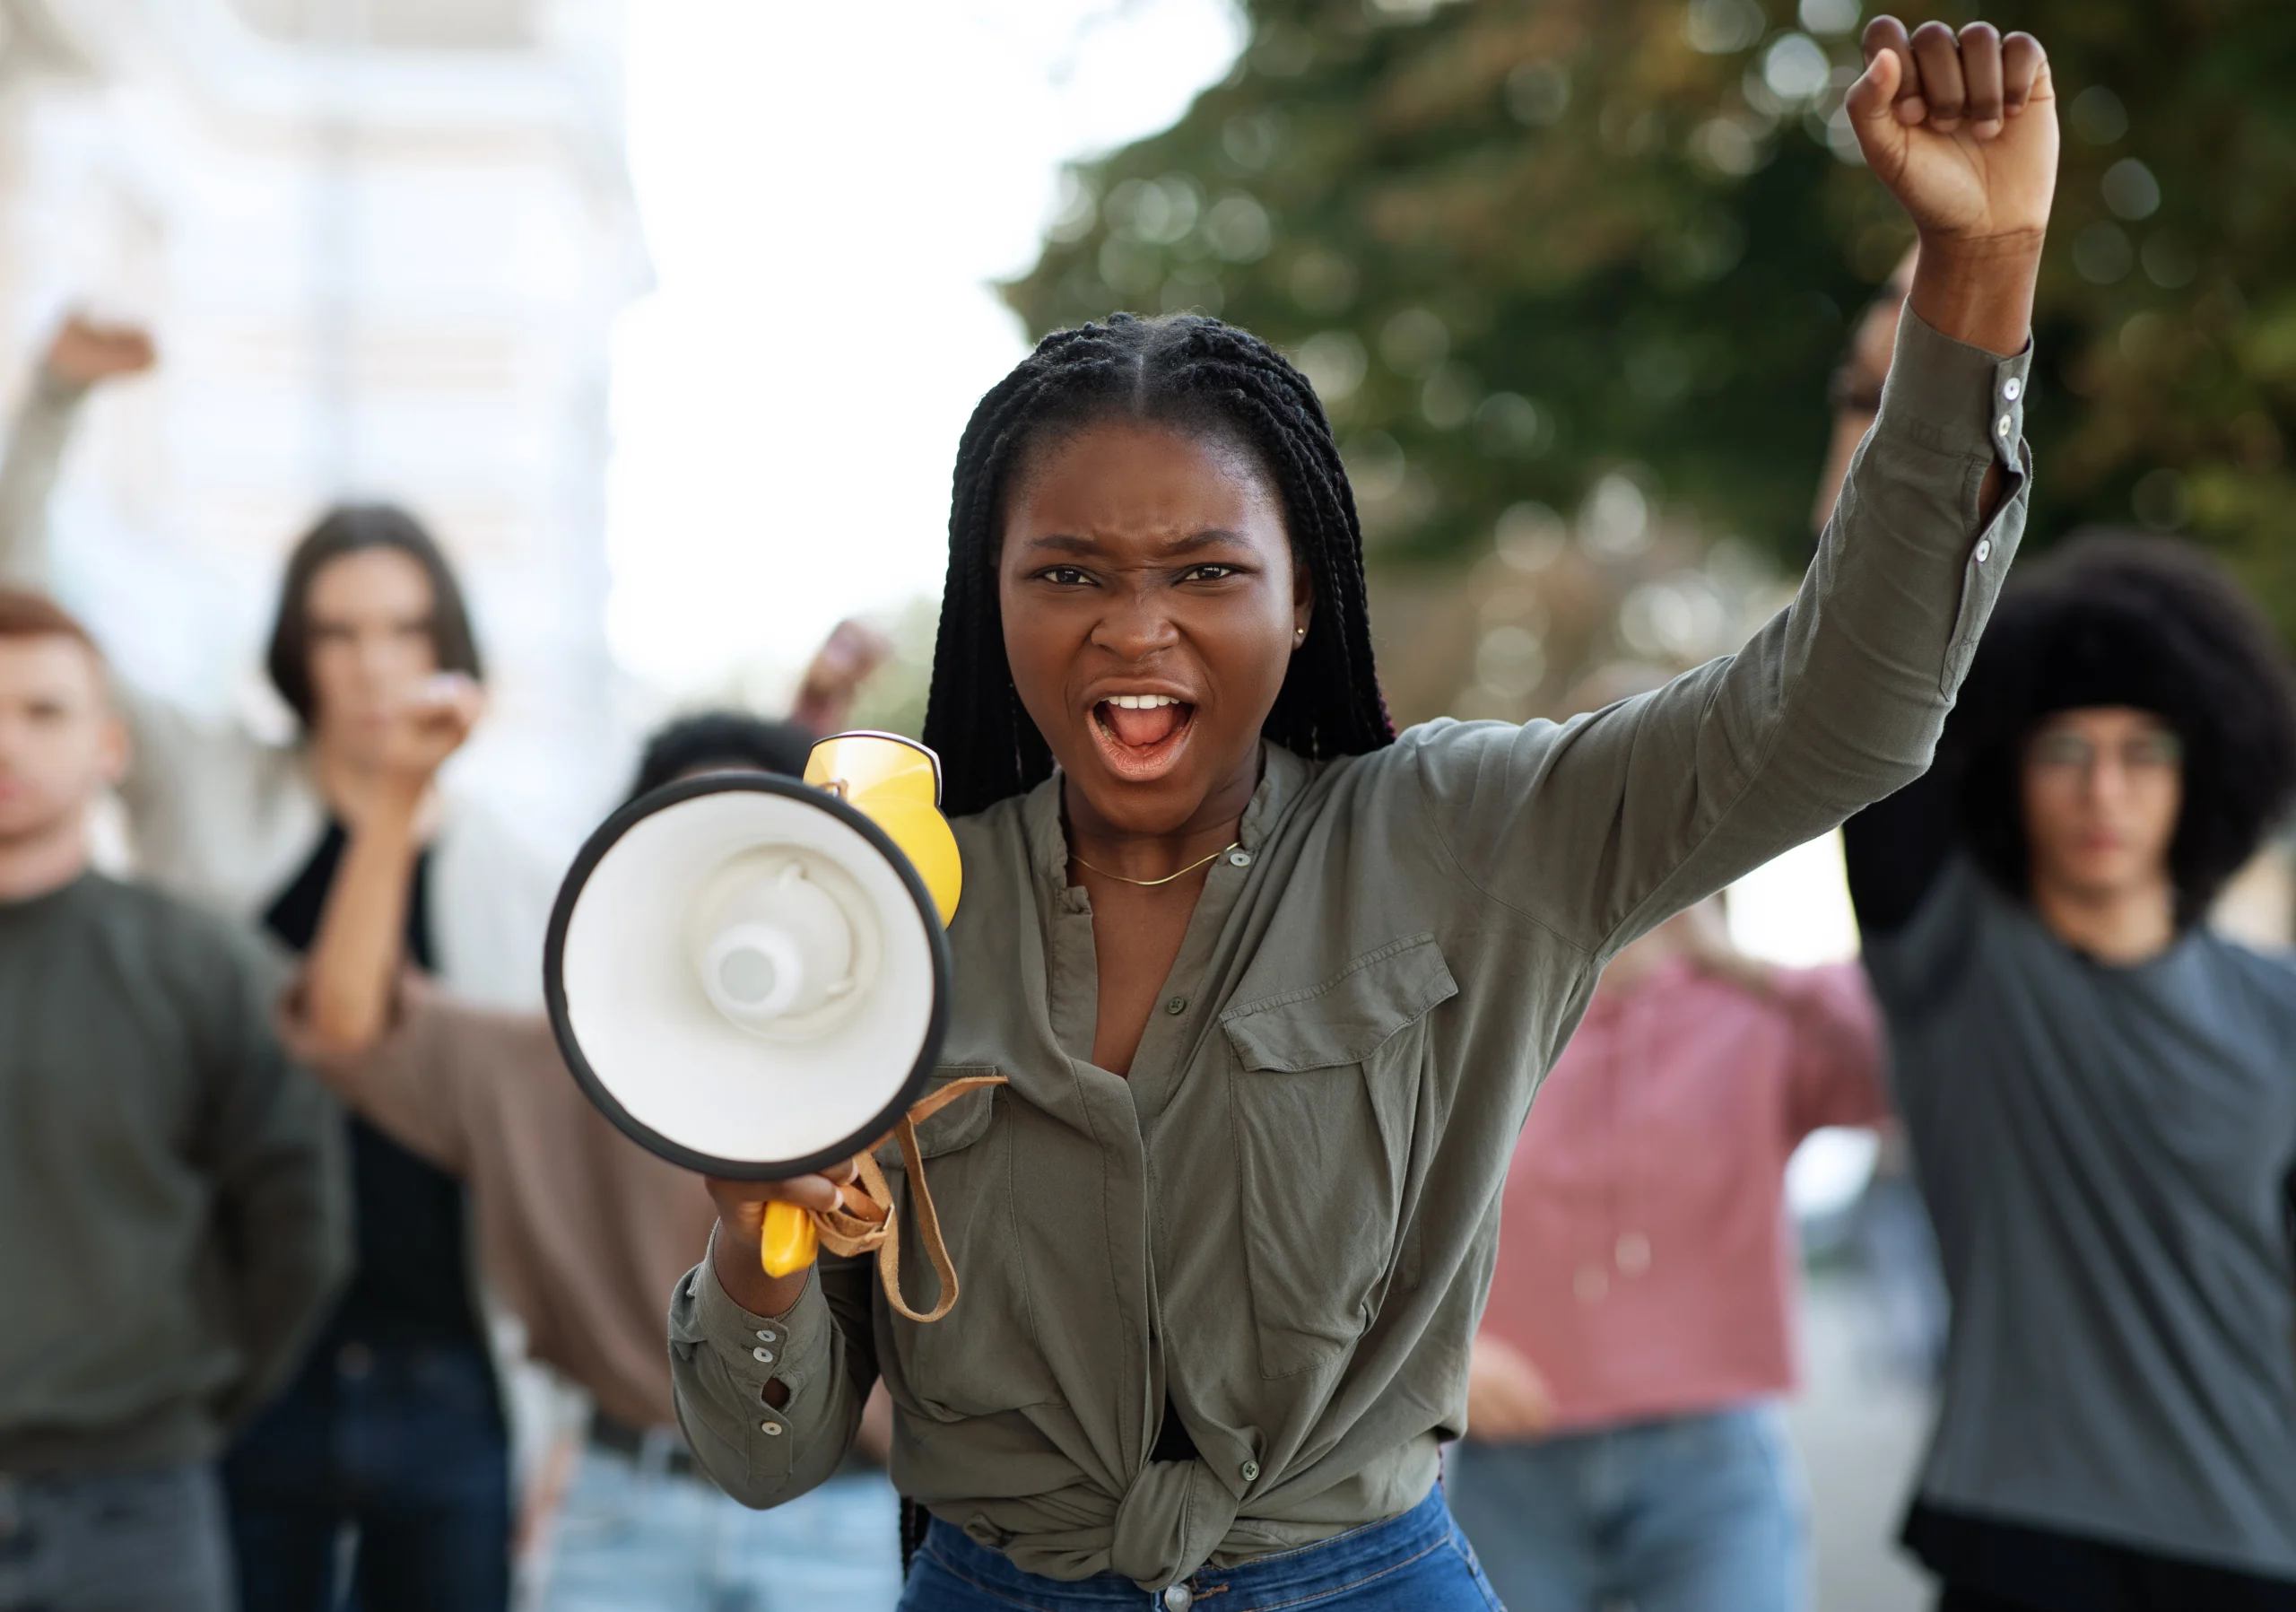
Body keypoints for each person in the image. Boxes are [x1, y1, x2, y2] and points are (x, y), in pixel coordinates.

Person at [669, 20, 2057, 1608]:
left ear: (1308, 595)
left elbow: (1843, 712)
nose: (1136, 629)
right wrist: (747, 1231)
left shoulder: (1472, 833)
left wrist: (1979, 278)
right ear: (988, 604)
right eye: (1067, 574)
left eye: (1206, 571)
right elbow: (763, 1455)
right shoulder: (878, 914)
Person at [0, 341, 556, 1608]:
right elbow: (25, 618)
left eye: (404, 628)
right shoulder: (207, 789)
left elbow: (542, 1160)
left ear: (450, 642)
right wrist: (56, 401)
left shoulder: (516, 875)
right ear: (296, 648)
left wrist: (552, 1415)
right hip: (240, 1372)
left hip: (447, 1376)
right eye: (338, 630)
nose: (371, 662)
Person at [274, 684, 909, 1612]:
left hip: (845, 1514)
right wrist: (400, 792)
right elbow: (346, 1022)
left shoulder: (900, 1061)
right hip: (625, 1511)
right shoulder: (555, 1069)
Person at [1839, 530, 2296, 1611]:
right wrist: (1876, 415)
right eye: (2063, 751)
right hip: (2022, 1532)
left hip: (2257, 1534)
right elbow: (1864, 673)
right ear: (2006, 766)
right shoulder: (1950, 953)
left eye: (2145, 751)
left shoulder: (2278, 1006)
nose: (2104, 791)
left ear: (2204, 768)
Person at [0, 588, 347, 1612]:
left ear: (110, 745)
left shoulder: (205, 970)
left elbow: (300, 1226)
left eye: (44, 711)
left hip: (134, 1509)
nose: (6, 740)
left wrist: (183, 1408)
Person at [1446, 892, 1885, 1612]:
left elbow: (1910, 1066)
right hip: (1511, 1461)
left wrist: (1743, 965)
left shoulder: (1753, 1020)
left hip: (1710, 1460)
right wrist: (1445, 1351)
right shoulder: (1491, 1021)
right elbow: (1372, 1209)